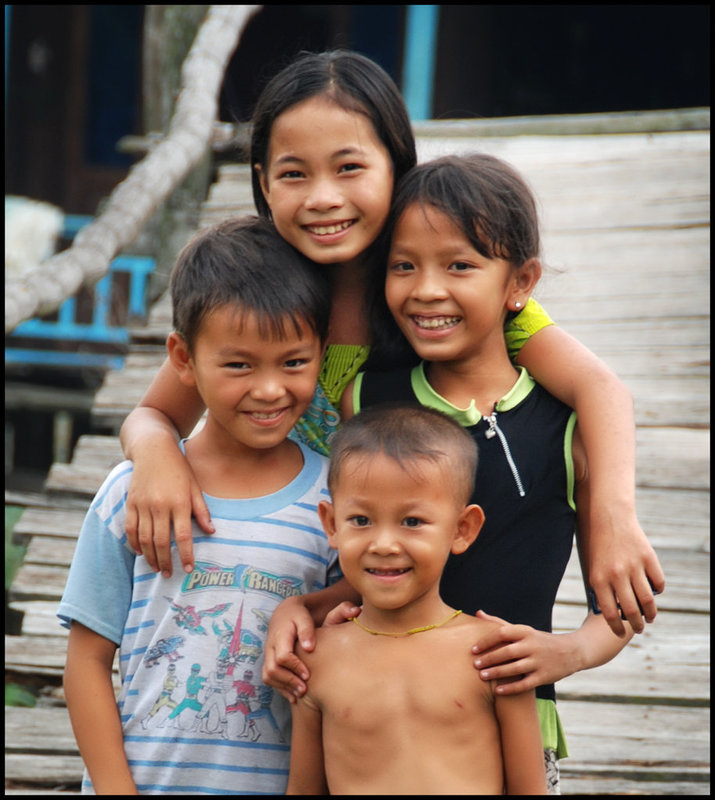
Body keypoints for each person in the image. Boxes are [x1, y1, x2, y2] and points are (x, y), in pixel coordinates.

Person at [119, 50, 662, 636]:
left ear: (396, 167)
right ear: (263, 182)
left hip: (401, 591)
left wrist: (612, 516)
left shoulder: (435, 291)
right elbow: (153, 414)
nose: (323, 197)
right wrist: (156, 456)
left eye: (349, 168)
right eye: (294, 173)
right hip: (273, 578)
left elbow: (599, 387)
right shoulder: (256, 297)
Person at [269, 153, 642, 792]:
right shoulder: (365, 396)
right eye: (403, 266)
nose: (427, 289)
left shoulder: (564, 424)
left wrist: (570, 652)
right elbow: (373, 557)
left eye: (460, 265)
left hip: (509, 719)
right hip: (372, 714)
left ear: (520, 282)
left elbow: (619, 603)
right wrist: (300, 607)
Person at [57, 217, 343, 795]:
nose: (269, 389)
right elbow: (86, 662)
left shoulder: (335, 504)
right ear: (182, 359)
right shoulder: (129, 493)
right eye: (239, 364)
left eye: (294, 362)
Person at [286, 403, 548, 795]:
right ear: (331, 524)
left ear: (462, 529)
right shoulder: (316, 657)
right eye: (361, 520)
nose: (385, 544)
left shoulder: (493, 653)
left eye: (412, 521)